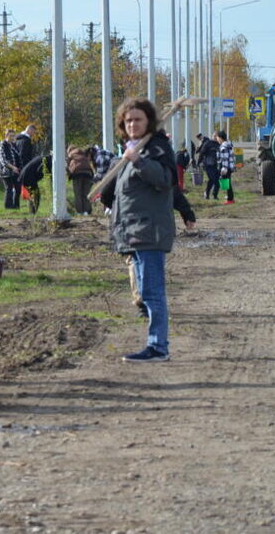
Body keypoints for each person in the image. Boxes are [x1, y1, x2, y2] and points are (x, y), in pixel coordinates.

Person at [102, 97, 177, 363]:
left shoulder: (155, 148)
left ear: (149, 122)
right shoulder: (131, 150)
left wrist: (139, 161)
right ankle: (156, 345)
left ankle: (158, 347)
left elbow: (165, 180)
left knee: (153, 293)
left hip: (149, 231)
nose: (132, 124)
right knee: (145, 293)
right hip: (133, 233)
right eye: (128, 120)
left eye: (138, 119)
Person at [66, 144, 95, 215]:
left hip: (77, 174)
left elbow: (66, 165)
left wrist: (68, 173)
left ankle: (80, 212)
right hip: (88, 174)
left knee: (78, 194)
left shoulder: (70, 155)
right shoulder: (83, 154)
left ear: (69, 150)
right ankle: (87, 212)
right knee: (86, 194)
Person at [0, 129, 22, 209]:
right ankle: (8, 206)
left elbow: (18, 156)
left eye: (13, 136)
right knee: (9, 188)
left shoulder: (13, 146)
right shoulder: (2, 146)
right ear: (6, 136)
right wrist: (12, 167)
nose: (12, 137)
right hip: (6, 172)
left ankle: (16, 205)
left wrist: (18, 167)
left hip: (15, 171)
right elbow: (3, 160)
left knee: (18, 188)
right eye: (10, 136)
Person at [196, 132, 220, 200]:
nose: (215, 137)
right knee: (211, 179)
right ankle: (206, 193)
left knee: (217, 181)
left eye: (217, 136)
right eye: (214, 136)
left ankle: (215, 195)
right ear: (212, 136)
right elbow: (202, 153)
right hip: (208, 164)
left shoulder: (219, 144)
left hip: (217, 165)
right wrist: (198, 163)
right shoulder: (208, 143)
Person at [216, 130, 236, 204]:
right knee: (227, 183)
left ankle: (230, 199)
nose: (217, 139)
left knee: (227, 183)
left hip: (226, 167)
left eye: (217, 137)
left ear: (220, 138)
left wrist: (224, 168)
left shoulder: (223, 146)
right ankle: (229, 197)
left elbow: (225, 158)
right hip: (230, 167)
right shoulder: (228, 145)